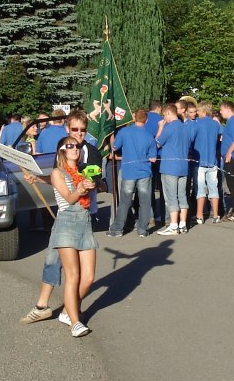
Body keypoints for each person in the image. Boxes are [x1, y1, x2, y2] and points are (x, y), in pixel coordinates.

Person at [21, 115, 101, 326]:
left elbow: (94, 179)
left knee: (81, 274)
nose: (79, 134)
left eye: (82, 130)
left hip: (84, 213)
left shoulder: (91, 152)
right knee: (53, 261)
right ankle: (43, 306)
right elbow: (60, 178)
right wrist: (39, 178)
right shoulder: (65, 148)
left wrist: (93, 184)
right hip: (67, 217)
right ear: (68, 129)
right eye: (75, 129)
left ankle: (67, 308)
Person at [48, 135, 97, 337]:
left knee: (89, 277)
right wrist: (80, 189)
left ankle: (67, 311)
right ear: (62, 151)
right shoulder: (57, 172)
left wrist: (96, 186)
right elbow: (69, 198)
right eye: (70, 146)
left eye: (77, 146)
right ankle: (75, 323)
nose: (75, 148)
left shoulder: (82, 171)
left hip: (84, 222)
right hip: (66, 222)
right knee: (73, 276)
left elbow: (89, 197)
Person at [108, 109, 158, 238]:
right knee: (145, 202)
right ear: (146, 120)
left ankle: (117, 229)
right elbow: (153, 157)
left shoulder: (125, 132)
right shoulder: (149, 136)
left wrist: (111, 137)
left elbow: (114, 147)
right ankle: (143, 230)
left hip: (129, 172)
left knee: (125, 201)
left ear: (134, 118)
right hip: (144, 172)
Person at [156, 103, 190, 235]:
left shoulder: (169, 127)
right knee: (182, 195)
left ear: (168, 113)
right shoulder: (185, 127)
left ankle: (173, 225)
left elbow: (157, 143)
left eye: (164, 115)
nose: (164, 118)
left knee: (171, 197)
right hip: (183, 166)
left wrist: (161, 127)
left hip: (169, 167)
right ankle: (183, 224)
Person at [193, 102, 222, 224]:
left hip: (199, 161)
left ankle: (199, 215)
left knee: (200, 189)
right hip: (212, 161)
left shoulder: (197, 123)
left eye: (198, 111)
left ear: (203, 111)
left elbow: (191, 138)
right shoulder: (216, 124)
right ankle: (216, 215)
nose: (197, 113)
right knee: (213, 188)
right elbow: (220, 138)